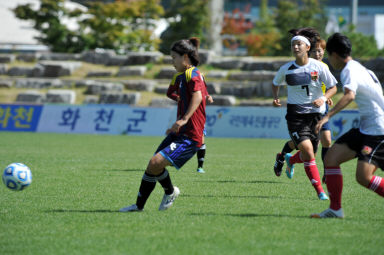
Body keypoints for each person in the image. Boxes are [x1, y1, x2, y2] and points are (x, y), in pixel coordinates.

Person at [120, 37, 208, 212]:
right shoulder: (183, 76)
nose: (172, 62)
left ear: (185, 57)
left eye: (174, 57)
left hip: (190, 137)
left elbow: (198, 97)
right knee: (153, 165)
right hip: (180, 132)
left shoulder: (194, 74)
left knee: (155, 162)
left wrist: (183, 120)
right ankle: (142, 205)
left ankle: (168, 193)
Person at [311, 33, 384, 218]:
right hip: (366, 128)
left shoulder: (349, 70)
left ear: (335, 54)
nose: (329, 59)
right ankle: (335, 210)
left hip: (378, 130)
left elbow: (350, 95)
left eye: (329, 55)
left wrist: (327, 116)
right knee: (331, 159)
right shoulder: (361, 68)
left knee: (363, 177)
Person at [272, 27, 338, 200]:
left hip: (316, 116)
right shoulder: (286, 69)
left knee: (310, 153)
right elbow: (275, 82)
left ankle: (290, 160)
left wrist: (323, 98)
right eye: (293, 44)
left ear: (307, 47)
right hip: (295, 116)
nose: (295, 47)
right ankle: (320, 192)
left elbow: (333, 87)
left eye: (299, 44)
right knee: (308, 152)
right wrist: (275, 97)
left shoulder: (319, 67)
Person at [167, 72, 213, 174]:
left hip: (197, 114)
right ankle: (170, 158)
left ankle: (200, 166)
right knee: (178, 136)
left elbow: (203, 90)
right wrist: (177, 97)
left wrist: (208, 95)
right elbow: (169, 93)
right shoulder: (177, 76)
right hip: (183, 114)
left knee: (200, 138)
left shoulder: (199, 74)